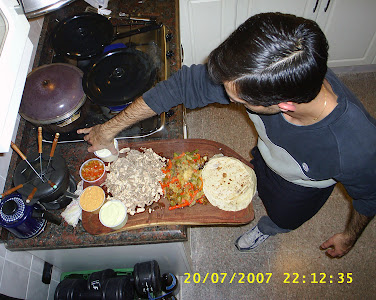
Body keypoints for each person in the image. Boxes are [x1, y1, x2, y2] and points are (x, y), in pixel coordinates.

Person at [78, 13, 375, 258]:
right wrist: (107, 129)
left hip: (301, 186)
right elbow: (180, 87)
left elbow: (369, 198)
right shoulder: (263, 74)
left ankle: (268, 229)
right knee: (256, 167)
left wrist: (349, 238)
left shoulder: (357, 148)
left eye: (240, 101)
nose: (229, 101)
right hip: (268, 152)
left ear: (283, 105)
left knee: (284, 216)